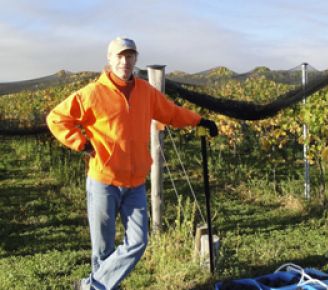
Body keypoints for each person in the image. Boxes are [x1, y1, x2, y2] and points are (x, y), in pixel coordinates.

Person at [46, 37, 218, 290]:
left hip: (136, 182)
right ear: (109, 59)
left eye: (129, 56)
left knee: (138, 242)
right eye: (119, 56)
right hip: (103, 180)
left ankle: (91, 286)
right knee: (103, 250)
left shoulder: (146, 92)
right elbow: (56, 118)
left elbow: (170, 113)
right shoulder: (93, 93)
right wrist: (81, 143)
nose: (124, 62)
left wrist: (198, 120)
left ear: (136, 59)